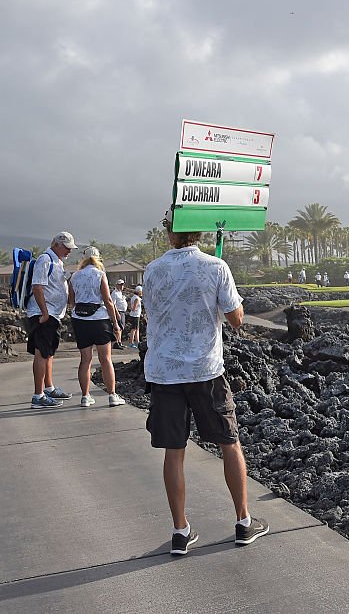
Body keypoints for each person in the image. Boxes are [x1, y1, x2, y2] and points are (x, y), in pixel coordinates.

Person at [144, 206, 268, 555]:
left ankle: (180, 532)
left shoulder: (152, 271)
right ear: (198, 232)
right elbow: (237, 319)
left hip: (165, 372)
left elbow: (157, 313)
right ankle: (243, 522)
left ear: (169, 232)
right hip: (205, 370)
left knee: (174, 451)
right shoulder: (216, 267)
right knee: (229, 443)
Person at [68, 247, 127, 408]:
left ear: (84, 259)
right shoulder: (100, 274)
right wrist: (116, 323)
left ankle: (85, 397)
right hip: (99, 319)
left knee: (85, 360)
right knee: (105, 359)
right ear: (98, 259)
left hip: (80, 319)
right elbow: (108, 300)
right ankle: (112, 396)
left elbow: (71, 301)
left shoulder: (74, 276)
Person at [26, 232, 76, 408]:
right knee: (42, 352)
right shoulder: (45, 259)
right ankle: (38, 396)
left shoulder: (57, 261)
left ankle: (48, 387)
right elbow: (37, 287)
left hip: (54, 313)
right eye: (67, 247)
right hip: (44, 314)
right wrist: (45, 312)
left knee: (48, 352)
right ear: (57, 244)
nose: (69, 251)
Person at [111, 279, 128, 349]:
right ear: (117, 285)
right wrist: (117, 313)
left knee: (121, 328)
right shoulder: (114, 293)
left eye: (122, 285)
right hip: (119, 311)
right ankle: (116, 342)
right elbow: (113, 304)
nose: (122, 286)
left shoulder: (120, 293)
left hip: (122, 312)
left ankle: (119, 342)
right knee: (118, 328)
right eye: (120, 285)